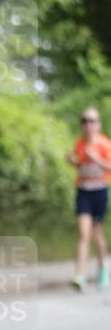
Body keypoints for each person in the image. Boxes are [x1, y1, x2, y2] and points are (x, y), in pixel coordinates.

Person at [65, 106, 111, 291]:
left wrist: (97, 159)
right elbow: (80, 165)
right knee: (83, 233)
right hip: (83, 190)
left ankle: (102, 268)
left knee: (96, 233)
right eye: (84, 120)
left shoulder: (104, 144)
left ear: (98, 124)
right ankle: (80, 275)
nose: (88, 124)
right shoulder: (79, 144)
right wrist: (72, 162)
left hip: (99, 191)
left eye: (91, 120)